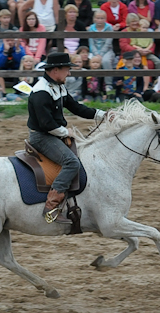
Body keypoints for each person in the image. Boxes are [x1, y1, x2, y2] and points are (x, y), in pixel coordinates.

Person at [27, 52, 106, 224]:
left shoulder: (57, 86)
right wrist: (65, 132)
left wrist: (103, 115)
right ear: (55, 70)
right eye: (67, 69)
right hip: (42, 138)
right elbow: (46, 123)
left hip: (51, 134)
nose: (69, 73)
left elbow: (76, 107)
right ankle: (51, 207)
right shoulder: (41, 92)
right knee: (72, 162)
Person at [89, 10, 115, 90]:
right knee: (91, 60)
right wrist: (96, 54)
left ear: (105, 19)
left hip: (107, 50)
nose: (100, 20)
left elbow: (108, 43)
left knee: (105, 61)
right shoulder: (91, 28)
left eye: (102, 18)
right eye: (98, 18)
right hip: (94, 51)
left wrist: (101, 54)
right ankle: (91, 84)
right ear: (94, 19)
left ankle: (108, 84)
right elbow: (91, 43)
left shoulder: (109, 27)